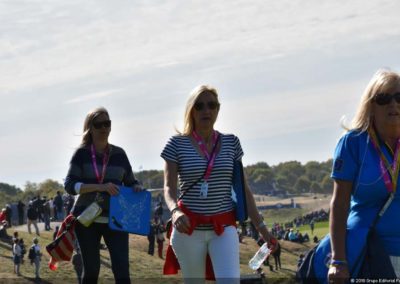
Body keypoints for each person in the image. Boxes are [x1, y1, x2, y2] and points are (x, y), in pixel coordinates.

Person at [161, 85, 277, 282]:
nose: (206, 110)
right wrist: (175, 211)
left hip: (223, 228)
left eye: (211, 105)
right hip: (188, 228)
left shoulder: (232, 142)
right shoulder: (176, 144)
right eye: (200, 106)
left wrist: (263, 231)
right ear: (191, 110)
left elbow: (243, 190)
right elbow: (169, 188)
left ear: (218, 109)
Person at [328, 69, 400, 282]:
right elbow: (339, 204)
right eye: (383, 98)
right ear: (370, 104)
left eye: (399, 97)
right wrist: (338, 261)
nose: (393, 105)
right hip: (367, 251)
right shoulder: (353, 143)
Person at [64, 106, 142, 284]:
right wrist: (100, 187)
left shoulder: (120, 154)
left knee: (122, 271)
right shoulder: (81, 154)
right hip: (86, 221)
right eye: (99, 124)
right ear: (90, 128)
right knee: (91, 271)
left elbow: (130, 180)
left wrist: (136, 186)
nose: (104, 128)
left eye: (107, 123)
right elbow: (69, 185)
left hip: (116, 220)